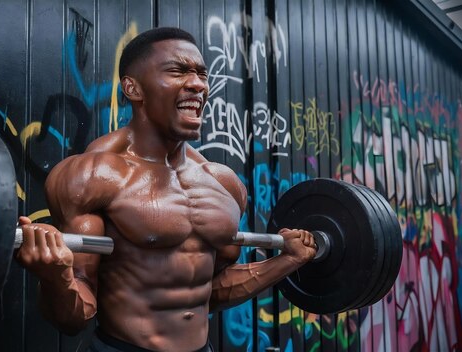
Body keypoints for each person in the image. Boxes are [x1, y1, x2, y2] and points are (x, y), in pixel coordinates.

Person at [16, 27, 317, 352]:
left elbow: (209, 291)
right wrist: (55, 277)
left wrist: (288, 260)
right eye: (178, 71)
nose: (198, 84)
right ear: (133, 88)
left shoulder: (225, 183)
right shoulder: (94, 176)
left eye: (202, 74)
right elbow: (74, 315)